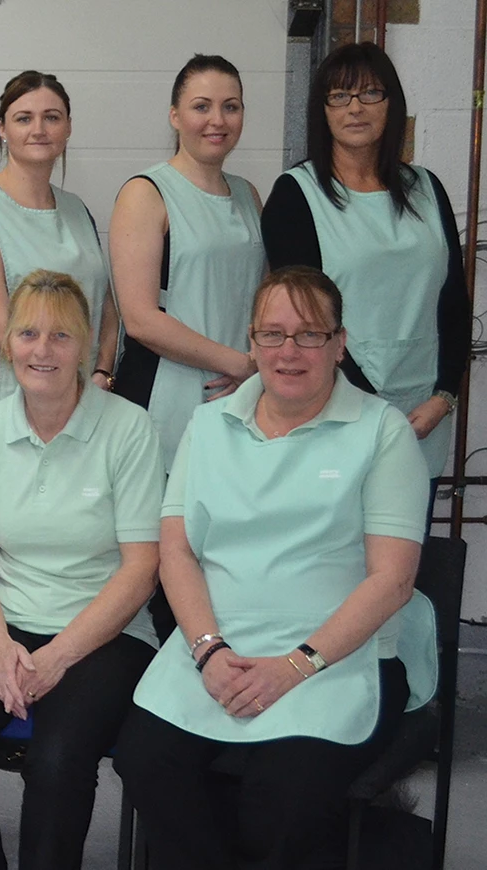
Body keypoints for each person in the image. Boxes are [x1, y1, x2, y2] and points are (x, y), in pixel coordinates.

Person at [115, 266, 432, 869]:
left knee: (279, 798)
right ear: (252, 343)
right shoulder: (209, 424)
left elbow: (392, 580)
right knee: (146, 761)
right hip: (219, 643)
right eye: (273, 334)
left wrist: (294, 667)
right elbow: (176, 549)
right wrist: (208, 650)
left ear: (340, 344)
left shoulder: (382, 432)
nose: (289, 351)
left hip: (334, 657)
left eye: (310, 334)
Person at [0, 271, 163, 870]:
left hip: (107, 634)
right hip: (7, 623)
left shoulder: (129, 428)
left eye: (60, 336)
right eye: (27, 333)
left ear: (83, 348)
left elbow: (140, 570)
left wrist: (58, 656)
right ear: (6, 343)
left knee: (56, 760)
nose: (41, 350)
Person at [261, 42, 467, 482]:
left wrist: (445, 395)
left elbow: (454, 301)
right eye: (339, 96)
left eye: (370, 93)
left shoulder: (427, 189)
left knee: (406, 547)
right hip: (334, 410)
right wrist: (367, 405)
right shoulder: (296, 196)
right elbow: (302, 320)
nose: (355, 108)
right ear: (323, 110)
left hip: (423, 416)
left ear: (392, 104)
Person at [110, 55, 266, 471]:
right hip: (164, 396)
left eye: (230, 106)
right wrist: (240, 363)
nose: (217, 119)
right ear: (175, 116)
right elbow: (140, 319)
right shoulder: (146, 193)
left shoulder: (249, 195)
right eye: (202, 106)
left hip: (240, 394)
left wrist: (256, 366)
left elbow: (260, 298)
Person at [0, 71, 113, 431]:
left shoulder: (78, 211)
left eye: (51, 117)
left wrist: (102, 372)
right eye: (24, 118)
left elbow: (105, 306)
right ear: (2, 129)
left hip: (83, 397)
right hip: (1, 400)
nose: (38, 129)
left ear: (68, 127)